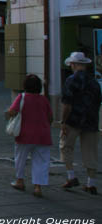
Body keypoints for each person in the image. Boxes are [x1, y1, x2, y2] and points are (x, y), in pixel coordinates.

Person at [60, 51, 102, 195]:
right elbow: (97, 103)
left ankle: (71, 176)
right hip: (91, 121)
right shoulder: (95, 82)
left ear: (73, 64)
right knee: (90, 152)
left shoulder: (71, 80)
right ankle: (91, 183)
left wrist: (63, 122)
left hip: (73, 120)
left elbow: (67, 104)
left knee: (66, 146)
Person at [6, 74, 52, 198]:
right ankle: (38, 187)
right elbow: (50, 117)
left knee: (20, 158)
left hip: (24, 134)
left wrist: (8, 114)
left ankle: (20, 181)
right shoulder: (44, 100)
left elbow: (12, 112)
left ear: (25, 86)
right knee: (41, 161)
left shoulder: (22, 97)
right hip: (43, 135)